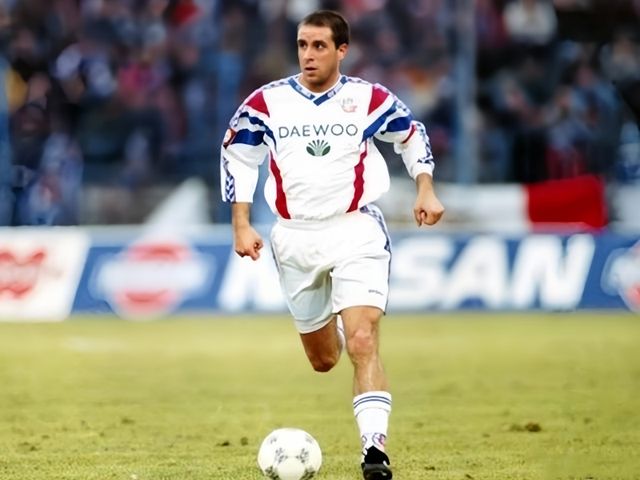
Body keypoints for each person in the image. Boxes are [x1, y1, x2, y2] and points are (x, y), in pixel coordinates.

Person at [220, 10, 444, 480]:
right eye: (303, 45)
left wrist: (425, 187)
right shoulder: (267, 103)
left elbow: (411, 133)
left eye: (319, 45)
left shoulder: (366, 98)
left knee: (363, 339)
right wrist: (241, 224)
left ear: (342, 50)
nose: (308, 55)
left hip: (354, 229)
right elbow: (238, 155)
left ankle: (374, 451)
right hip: (293, 236)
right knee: (324, 359)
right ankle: (339, 322)